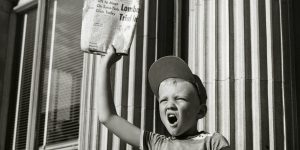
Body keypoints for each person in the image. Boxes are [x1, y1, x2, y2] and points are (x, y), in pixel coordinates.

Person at [96, 45, 230, 150]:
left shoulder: (213, 141)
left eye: (179, 99)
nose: (170, 105)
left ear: (200, 111)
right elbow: (108, 117)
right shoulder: (156, 143)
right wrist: (104, 65)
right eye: (164, 100)